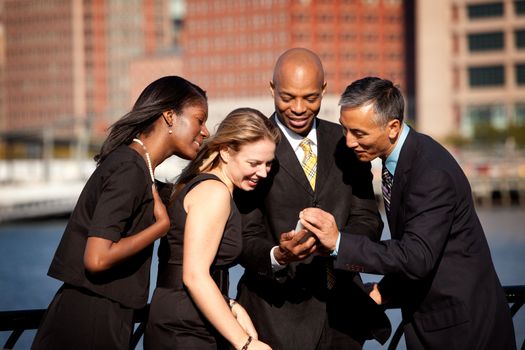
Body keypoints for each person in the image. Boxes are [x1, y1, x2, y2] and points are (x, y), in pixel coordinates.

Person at [300, 76, 517, 350]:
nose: (349, 142)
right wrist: (384, 291)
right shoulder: (404, 159)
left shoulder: (430, 172)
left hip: (464, 331)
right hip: (438, 322)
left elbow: (417, 256)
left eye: (359, 133)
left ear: (392, 128)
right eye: (345, 130)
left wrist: (339, 243)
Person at [31, 76, 210, 350]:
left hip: (103, 314)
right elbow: (97, 258)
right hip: (90, 320)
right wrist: (158, 229)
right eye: (200, 119)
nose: (205, 131)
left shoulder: (140, 169)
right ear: (170, 117)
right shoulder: (129, 168)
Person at [233, 48, 390, 350]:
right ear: (271, 90)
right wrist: (279, 255)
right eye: (287, 97)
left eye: (310, 98)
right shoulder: (251, 148)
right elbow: (245, 235)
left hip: (343, 320)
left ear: (323, 91)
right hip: (274, 319)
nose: (299, 108)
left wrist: (337, 243)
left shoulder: (347, 143)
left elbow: (368, 218)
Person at [144, 108, 279, 350]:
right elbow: (194, 276)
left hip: (182, 315)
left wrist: (229, 304)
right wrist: (246, 343)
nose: (263, 172)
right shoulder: (214, 193)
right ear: (226, 152)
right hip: (184, 326)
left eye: (268, 163)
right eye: (254, 163)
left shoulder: (202, 184)